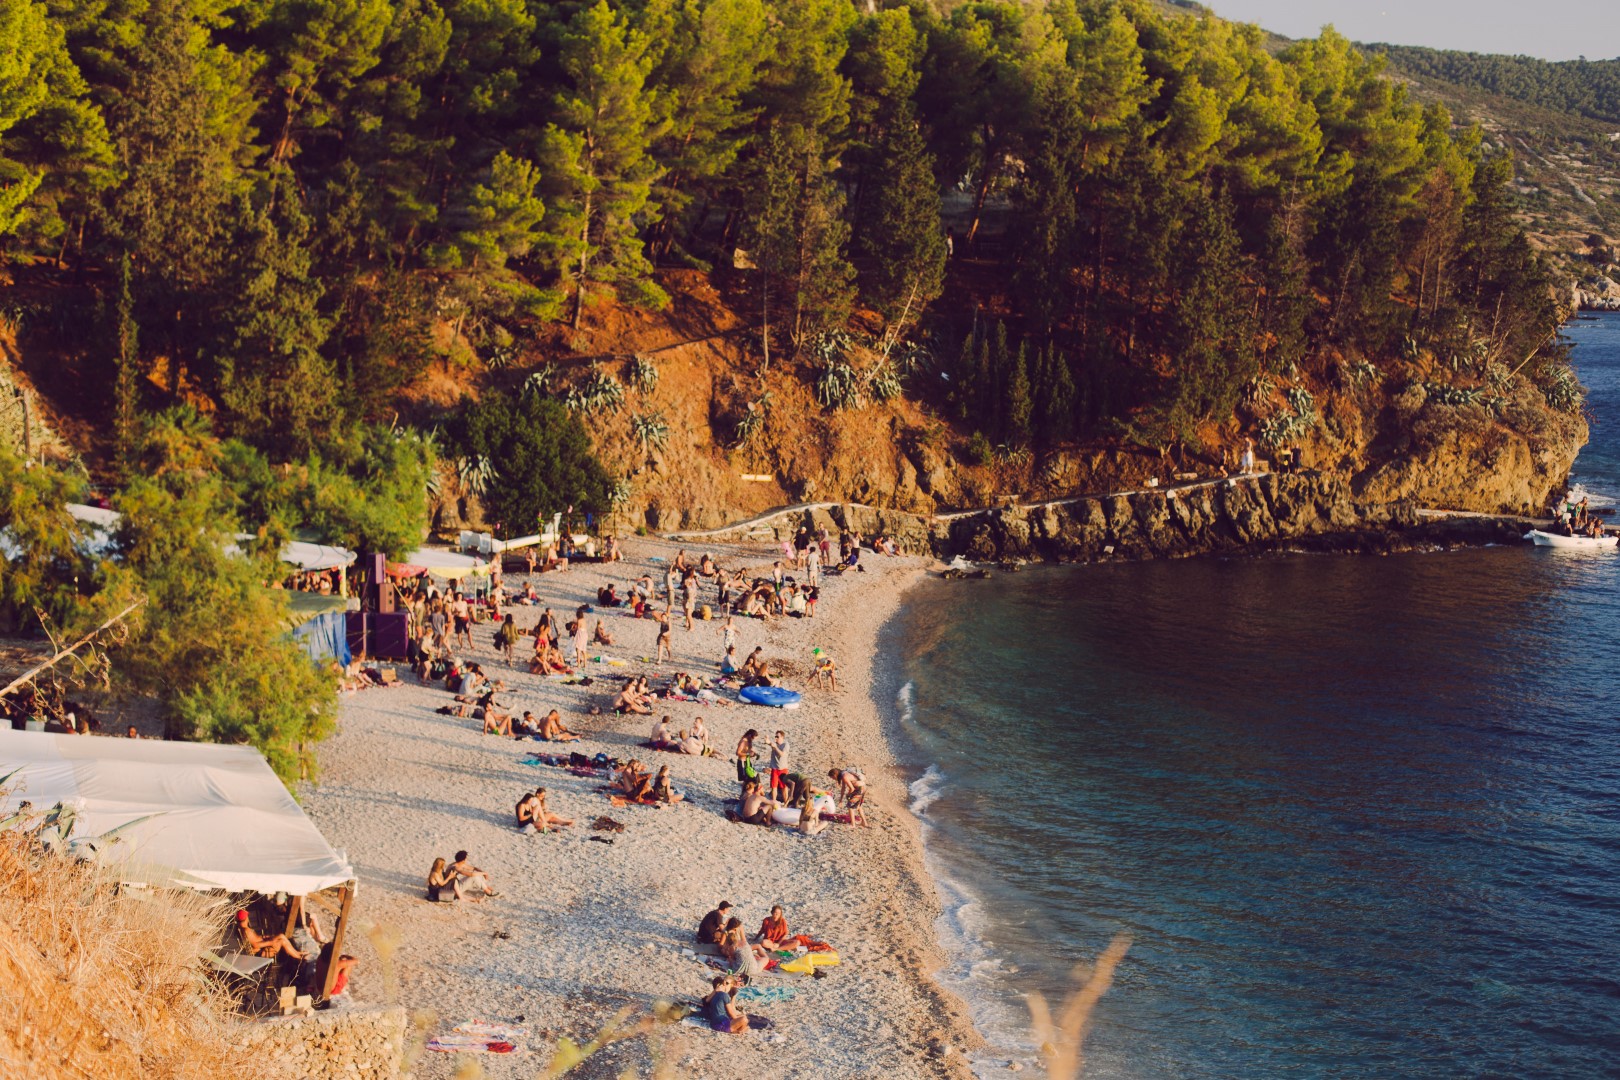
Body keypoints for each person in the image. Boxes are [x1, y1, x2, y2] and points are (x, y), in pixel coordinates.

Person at [237, 910, 304, 960]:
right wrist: (271, 942)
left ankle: (297, 953)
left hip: (263, 946)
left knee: (281, 935)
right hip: (261, 952)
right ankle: (298, 957)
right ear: (246, 919)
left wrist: (267, 937)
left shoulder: (244, 929)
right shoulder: (246, 931)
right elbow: (256, 945)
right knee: (281, 941)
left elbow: (256, 939)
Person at [767, 730, 791, 802]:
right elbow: (770, 743)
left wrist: (775, 747)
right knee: (774, 787)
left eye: (777, 737)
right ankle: (774, 802)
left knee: (784, 787)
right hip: (774, 769)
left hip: (783, 769)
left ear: (782, 737)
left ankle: (786, 802)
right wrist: (767, 740)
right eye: (775, 736)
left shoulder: (785, 745)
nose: (776, 738)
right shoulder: (775, 743)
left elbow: (781, 754)